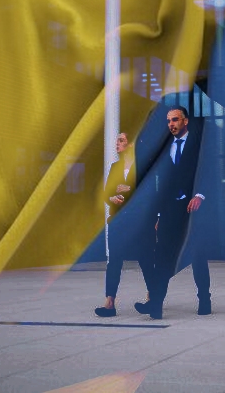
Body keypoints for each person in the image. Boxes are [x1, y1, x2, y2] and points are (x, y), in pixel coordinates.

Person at [133, 106, 211, 320]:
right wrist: (159, 214)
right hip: (169, 209)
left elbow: (208, 172)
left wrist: (201, 195)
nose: (171, 124)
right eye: (169, 121)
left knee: (197, 256)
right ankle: (156, 305)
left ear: (185, 121)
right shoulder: (166, 148)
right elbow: (162, 183)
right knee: (163, 256)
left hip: (192, 209)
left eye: (175, 120)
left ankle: (204, 298)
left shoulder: (198, 145)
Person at [94, 133, 145, 317]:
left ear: (130, 145)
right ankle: (109, 303)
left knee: (145, 260)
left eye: (121, 141)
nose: (117, 144)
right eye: (116, 140)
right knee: (113, 262)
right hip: (117, 222)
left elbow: (144, 192)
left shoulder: (141, 166)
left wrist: (126, 189)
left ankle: (153, 297)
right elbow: (107, 191)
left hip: (137, 222)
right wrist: (112, 196)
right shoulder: (115, 167)